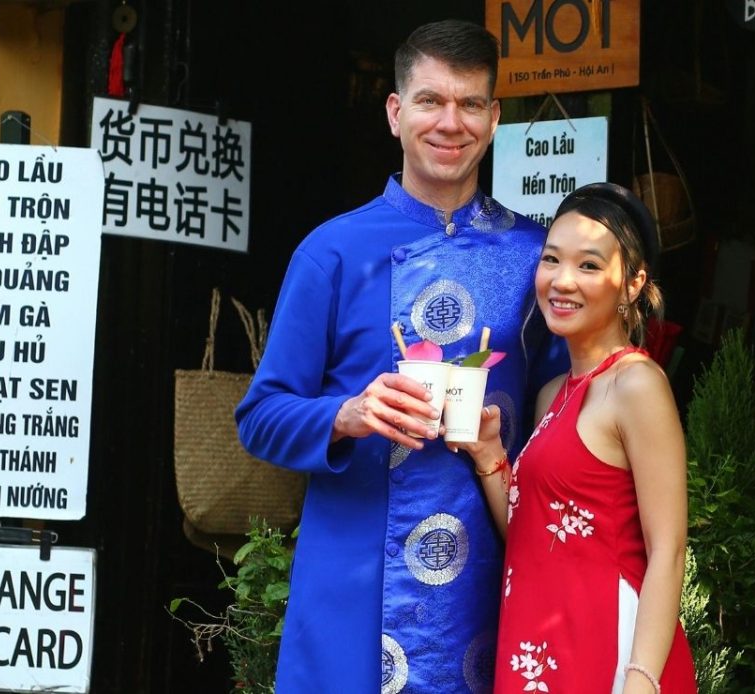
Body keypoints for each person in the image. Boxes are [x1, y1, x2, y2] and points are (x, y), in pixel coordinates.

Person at [235, 19, 565, 693]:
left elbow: (571, 424)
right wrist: (348, 414)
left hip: (493, 581)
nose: (451, 122)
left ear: (495, 117)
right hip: (353, 581)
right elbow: (260, 415)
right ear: (395, 112)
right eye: (430, 101)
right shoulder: (331, 250)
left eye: (471, 103)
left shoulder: (541, 260)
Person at [459, 183, 698, 693]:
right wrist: (489, 454)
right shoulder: (552, 394)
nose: (563, 281)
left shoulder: (637, 384)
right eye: (552, 260)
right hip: (538, 646)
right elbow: (532, 531)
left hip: (605, 647)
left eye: (589, 265)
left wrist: (641, 680)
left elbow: (668, 548)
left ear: (632, 284)